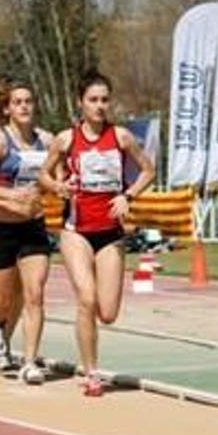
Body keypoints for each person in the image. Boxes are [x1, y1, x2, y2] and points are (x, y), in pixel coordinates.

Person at [38, 70, 155, 396]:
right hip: (76, 230)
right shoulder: (66, 139)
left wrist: (128, 196)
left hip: (110, 233)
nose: (100, 106)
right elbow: (44, 175)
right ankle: (91, 373)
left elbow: (148, 170)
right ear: (81, 103)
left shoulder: (121, 137)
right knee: (86, 299)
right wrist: (58, 186)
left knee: (108, 312)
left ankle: (92, 365)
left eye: (104, 99)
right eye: (93, 100)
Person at [0, 81, 54, 384]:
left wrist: (58, 187)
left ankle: (29, 362)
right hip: (2, 228)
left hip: (34, 227)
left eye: (28, 101)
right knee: (6, 299)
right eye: (17, 102)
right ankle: (1, 329)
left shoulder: (47, 140)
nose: (24, 107)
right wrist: (7, 196)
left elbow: (57, 176)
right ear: (7, 108)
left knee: (35, 294)